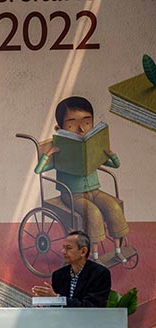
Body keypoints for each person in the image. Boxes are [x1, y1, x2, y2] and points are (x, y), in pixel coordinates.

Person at [34, 96, 129, 261]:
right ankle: (96, 255)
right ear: (59, 128)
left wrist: (112, 157)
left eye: (86, 123)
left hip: (95, 190)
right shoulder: (59, 149)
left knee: (113, 206)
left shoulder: (90, 146)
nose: (81, 129)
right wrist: (47, 155)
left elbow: (114, 166)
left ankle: (118, 250)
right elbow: (38, 171)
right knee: (93, 213)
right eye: (71, 125)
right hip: (73, 195)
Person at [32, 230, 111, 307]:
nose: (63, 252)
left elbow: (91, 306)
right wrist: (45, 303)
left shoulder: (100, 274)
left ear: (83, 251)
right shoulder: (58, 275)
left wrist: (57, 299)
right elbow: (55, 307)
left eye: (68, 248)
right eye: (63, 248)